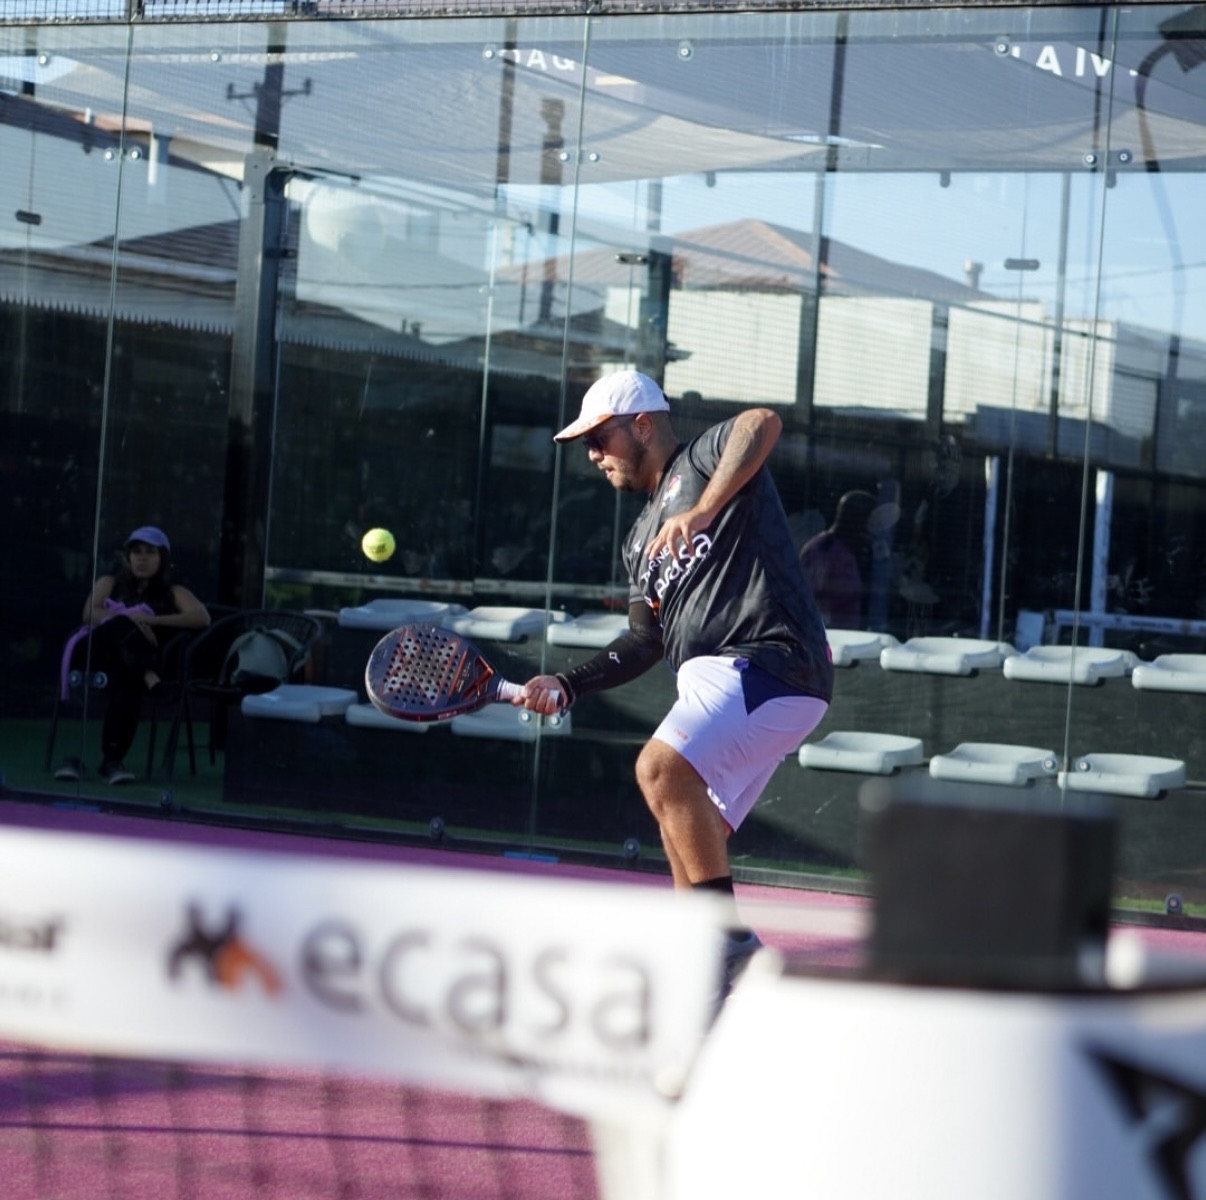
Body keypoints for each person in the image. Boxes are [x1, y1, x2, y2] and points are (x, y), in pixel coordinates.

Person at [517, 371, 833, 1007]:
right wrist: (568, 683)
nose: (593, 455)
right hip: (715, 680)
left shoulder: (703, 461)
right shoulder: (639, 541)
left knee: (660, 769)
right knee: (682, 818)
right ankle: (704, 966)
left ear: (642, 426)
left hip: (768, 660)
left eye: (599, 439)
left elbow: (761, 422)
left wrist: (705, 508)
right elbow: (644, 640)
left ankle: (730, 944)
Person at [54, 526, 210, 785]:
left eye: (150, 552)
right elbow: (89, 613)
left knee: (125, 680)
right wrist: (131, 619)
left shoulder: (174, 592)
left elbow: (201, 618)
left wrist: (152, 620)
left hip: (125, 668)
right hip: (97, 657)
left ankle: (102, 760)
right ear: (128, 557)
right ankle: (145, 677)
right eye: (136, 552)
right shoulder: (109, 583)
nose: (142, 558)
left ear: (162, 558)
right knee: (119, 627)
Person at [798, 489, 877, 629]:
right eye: (868, 520)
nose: (870, 528)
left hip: (854, 636)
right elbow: (807, 601)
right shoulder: (820, 551)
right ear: (854, 519)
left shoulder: (857, 550)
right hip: (829, 636)